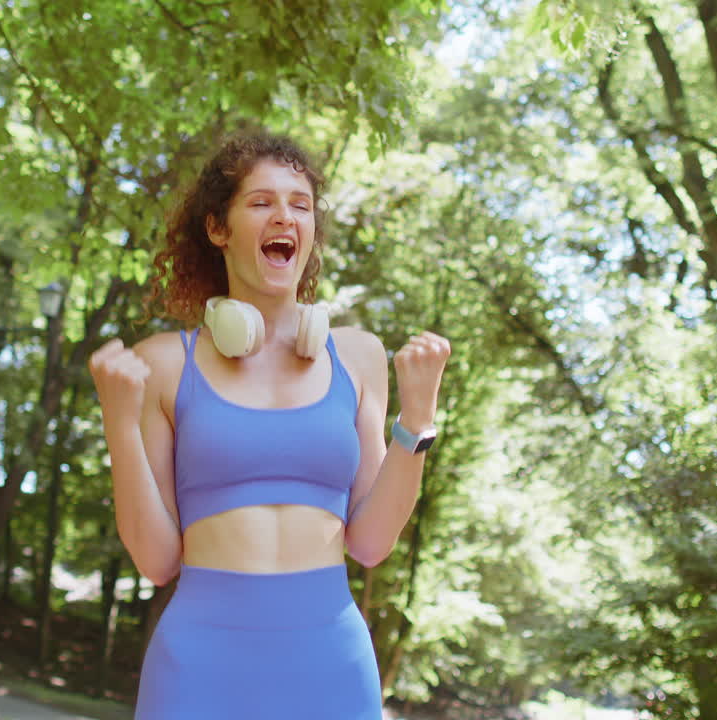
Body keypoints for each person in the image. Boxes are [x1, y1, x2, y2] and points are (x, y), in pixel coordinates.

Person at [87, 130, 450, 719]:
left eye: (300, 205)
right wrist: (119, 425)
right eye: (261, 202)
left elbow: (371, 543)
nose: (285, 215)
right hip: (199, 664)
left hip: (330, 664)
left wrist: (418, 417)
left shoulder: (358, 356)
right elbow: (156, 560)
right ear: (218, 228)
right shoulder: (164, 364)